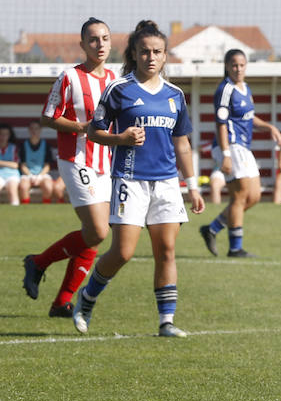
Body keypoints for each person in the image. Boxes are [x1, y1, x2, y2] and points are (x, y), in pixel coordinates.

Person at [73, 20, 205, 337]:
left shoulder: (175, 95)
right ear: (134, 53)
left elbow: (182, 143)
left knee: (167, 251)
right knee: (123, 252)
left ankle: (166, 322)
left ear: (165, 56)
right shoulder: (119, 90)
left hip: (166, 184)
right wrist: (122, 139)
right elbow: (94, 132)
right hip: (129, 180)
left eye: (157, 52)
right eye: (144, 51)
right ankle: (87, 297)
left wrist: (193, 185)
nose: (150, 57)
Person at [22, 18, 118, 317]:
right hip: (76, 160)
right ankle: (39, 263)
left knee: (93, 233)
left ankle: (61, 301)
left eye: (104, 38)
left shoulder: (116, 80)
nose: (99, 44)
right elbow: (48, 117)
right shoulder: (69, 78)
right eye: (93, 40)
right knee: (99, 231)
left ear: (111, 42)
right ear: (82, 45)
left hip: (105, 164)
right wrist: (80, 127)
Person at [199, 49, 281, 257]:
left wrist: (269, 127)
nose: (238, 69)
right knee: (240, 195)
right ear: (227, 66)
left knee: (254, 196)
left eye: (242, 65)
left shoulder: (245, 88)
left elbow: (248, 118)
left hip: (243, 147)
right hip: (231, 146)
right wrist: (225, 153)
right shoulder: (225, 89)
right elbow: (221, 123)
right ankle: (235, 247)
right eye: (234, 65)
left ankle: (212, 229)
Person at [18, 121, 58, 204]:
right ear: (29, 130)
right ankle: (25, 208)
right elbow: (23, 165)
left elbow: (47, 165)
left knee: (48, 186)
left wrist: (39, 176)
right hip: (27, 174)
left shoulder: (46, 145)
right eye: (32, 129)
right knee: (23, 187)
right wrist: (30, 176)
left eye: (36, 129)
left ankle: (45, 207)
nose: (34, 131)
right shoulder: (23, 145)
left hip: (42, 174)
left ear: (40, 130)